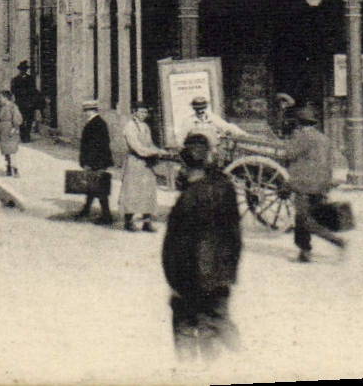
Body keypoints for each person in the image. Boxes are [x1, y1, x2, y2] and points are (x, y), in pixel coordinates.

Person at [162, 133, 243, 362]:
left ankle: (188, 372)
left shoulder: (187, 200)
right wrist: (228, 271)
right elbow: (234, 235)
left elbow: (177, 248)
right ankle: (223, 365)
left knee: (185, 326)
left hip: (192, 279)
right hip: (220, 276)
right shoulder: (225, 188)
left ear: (185, 166)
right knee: (214, 324)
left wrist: (176, 282)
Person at [284, 105, 346, 262]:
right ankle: (304, 252)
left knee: (305, 220)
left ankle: (336, 242)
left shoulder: (303, 137)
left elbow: (289, 153)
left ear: (299, 123)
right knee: (305, 218)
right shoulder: (323, 138)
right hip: (321, 184)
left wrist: (290, 139)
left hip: (304, 184)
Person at [121, 104, 164, 232]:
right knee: (132, 191)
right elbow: (137, 147)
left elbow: (150, 144)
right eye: (141, 112)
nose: (144, 114)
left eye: (145, 112)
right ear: (134, 112)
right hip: (135, 162)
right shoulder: (130, 127)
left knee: (148, 192)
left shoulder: (145, 126)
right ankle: (128, 221)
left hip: (146, 163)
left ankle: (147, 222)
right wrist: (153, 152)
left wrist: (159, 150)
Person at [75, 99, 115, 224]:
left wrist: (88, 163)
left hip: (97, 161)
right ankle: (86, 209)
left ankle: (106, 216)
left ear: (92, 111)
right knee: (92, 186)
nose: (86, 113)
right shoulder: (97, 122)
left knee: (99, 188)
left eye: (87, 111)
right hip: (99, 160)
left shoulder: (95, 124)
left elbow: (95, 146)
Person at [176, 96, 244, 154]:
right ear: (194, 109)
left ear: (205, 108)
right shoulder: (189, 121)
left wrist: (243, 134)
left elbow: (227, 126)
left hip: (214, 150)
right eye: (197, 109)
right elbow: (181, 136)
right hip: (197, 152)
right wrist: (181, 148)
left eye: (202, 108)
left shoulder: (213, 118)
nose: (200, 111)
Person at [12, 61, 41, 142]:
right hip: (20, 102)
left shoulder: (31, 79)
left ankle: (27, 134)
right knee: (21, 119)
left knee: (29, 119)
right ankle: (22, 134)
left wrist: (32, 100)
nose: (23, 71)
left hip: (29, 102)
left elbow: (33, 90)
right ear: (19, 70)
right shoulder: (15, 79)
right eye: (22, 69)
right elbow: (13, 90)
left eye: (24, 69)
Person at [0, 88, 23, 177]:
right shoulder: (2, 107)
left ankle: (15, 170)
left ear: (6, 98)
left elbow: (18, 119)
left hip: (10, 131)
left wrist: (14, 129)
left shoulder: (13, 107)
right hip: (3, 131)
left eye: (0, 97)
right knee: (6, 151)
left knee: (12, 151)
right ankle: (8, 168)